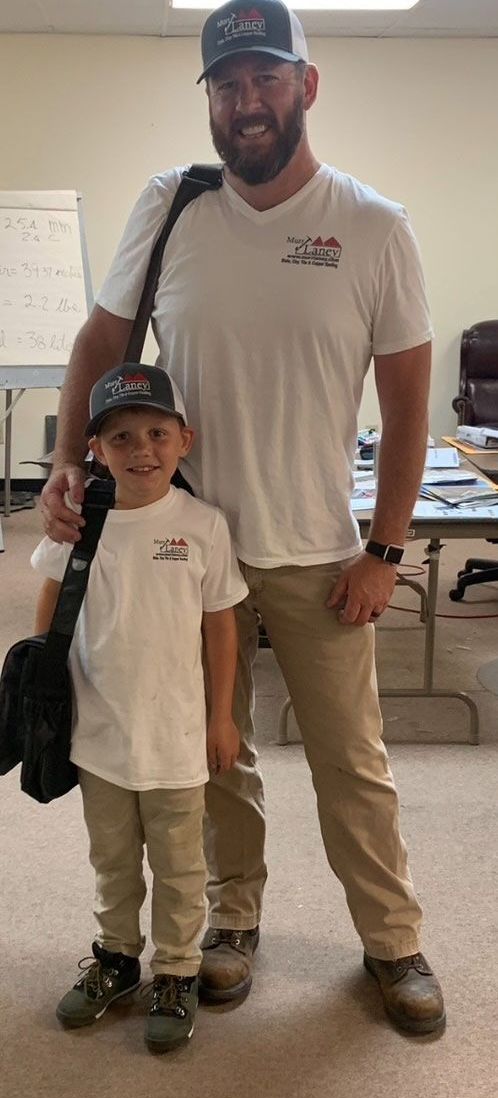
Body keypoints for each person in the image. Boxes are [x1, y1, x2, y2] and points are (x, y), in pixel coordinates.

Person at [41, 0, 446, 1034]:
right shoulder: (171, 204)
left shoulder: (373, 225)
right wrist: (61, 458)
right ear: (212, 102)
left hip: (318, 555)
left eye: (265, 79)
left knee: (352, 762)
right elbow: (102, 338)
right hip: (185, 542)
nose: (246, 103)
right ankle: (233, 924)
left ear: (305, 87)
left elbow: (407, 405)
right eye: (227, 86)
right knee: (210, 751)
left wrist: (384, 549)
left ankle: (393, 943)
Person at [32, 361, 248, 1053]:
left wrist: (221, 717)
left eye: (157, 432)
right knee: (114, 858)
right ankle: (119, 958)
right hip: (99, 735)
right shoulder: (79, 524)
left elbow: (221, 624)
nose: (142, 450)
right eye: (120, 438)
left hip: (178, 737)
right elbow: (50, 606)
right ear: (95, 450)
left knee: (182, 865)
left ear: (186, 439)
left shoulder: (202, 525)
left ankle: (178, 970)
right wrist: (39, 682)